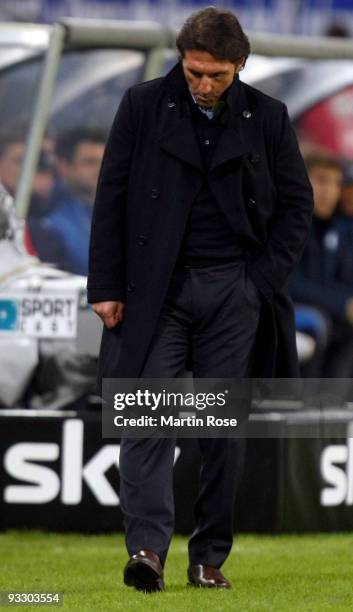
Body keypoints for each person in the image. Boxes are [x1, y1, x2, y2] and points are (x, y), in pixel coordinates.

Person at [87, 7, 313, 592]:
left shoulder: (269, 117)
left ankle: (208, 557)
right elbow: (110, 195)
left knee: (222, 432)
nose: (203, 84)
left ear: (241, 64)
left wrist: (258, 285)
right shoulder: (141, 105)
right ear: (182, 62)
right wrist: (106, 286)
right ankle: (147, 551)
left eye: (215, 74)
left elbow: (296, 207)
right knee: (147, 420)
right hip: (153, 290)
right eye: (194, 73)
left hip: (233, 291)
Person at [289, 152, 353, 378]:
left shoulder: (330, 228)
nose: (329, 191)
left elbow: (334, 280)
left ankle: (333, 400)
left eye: (336, 183)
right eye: (322, 180)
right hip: (286, 310)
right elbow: (290, 284)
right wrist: (343, 305)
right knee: (320, 320)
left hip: (320, 309)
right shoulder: (289, 225)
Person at [28, 127, 106, 275]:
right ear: (64, 167)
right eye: (90, 162)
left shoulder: (121, 209)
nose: (100, 168)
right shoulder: (45, 216)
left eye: (105, 160)